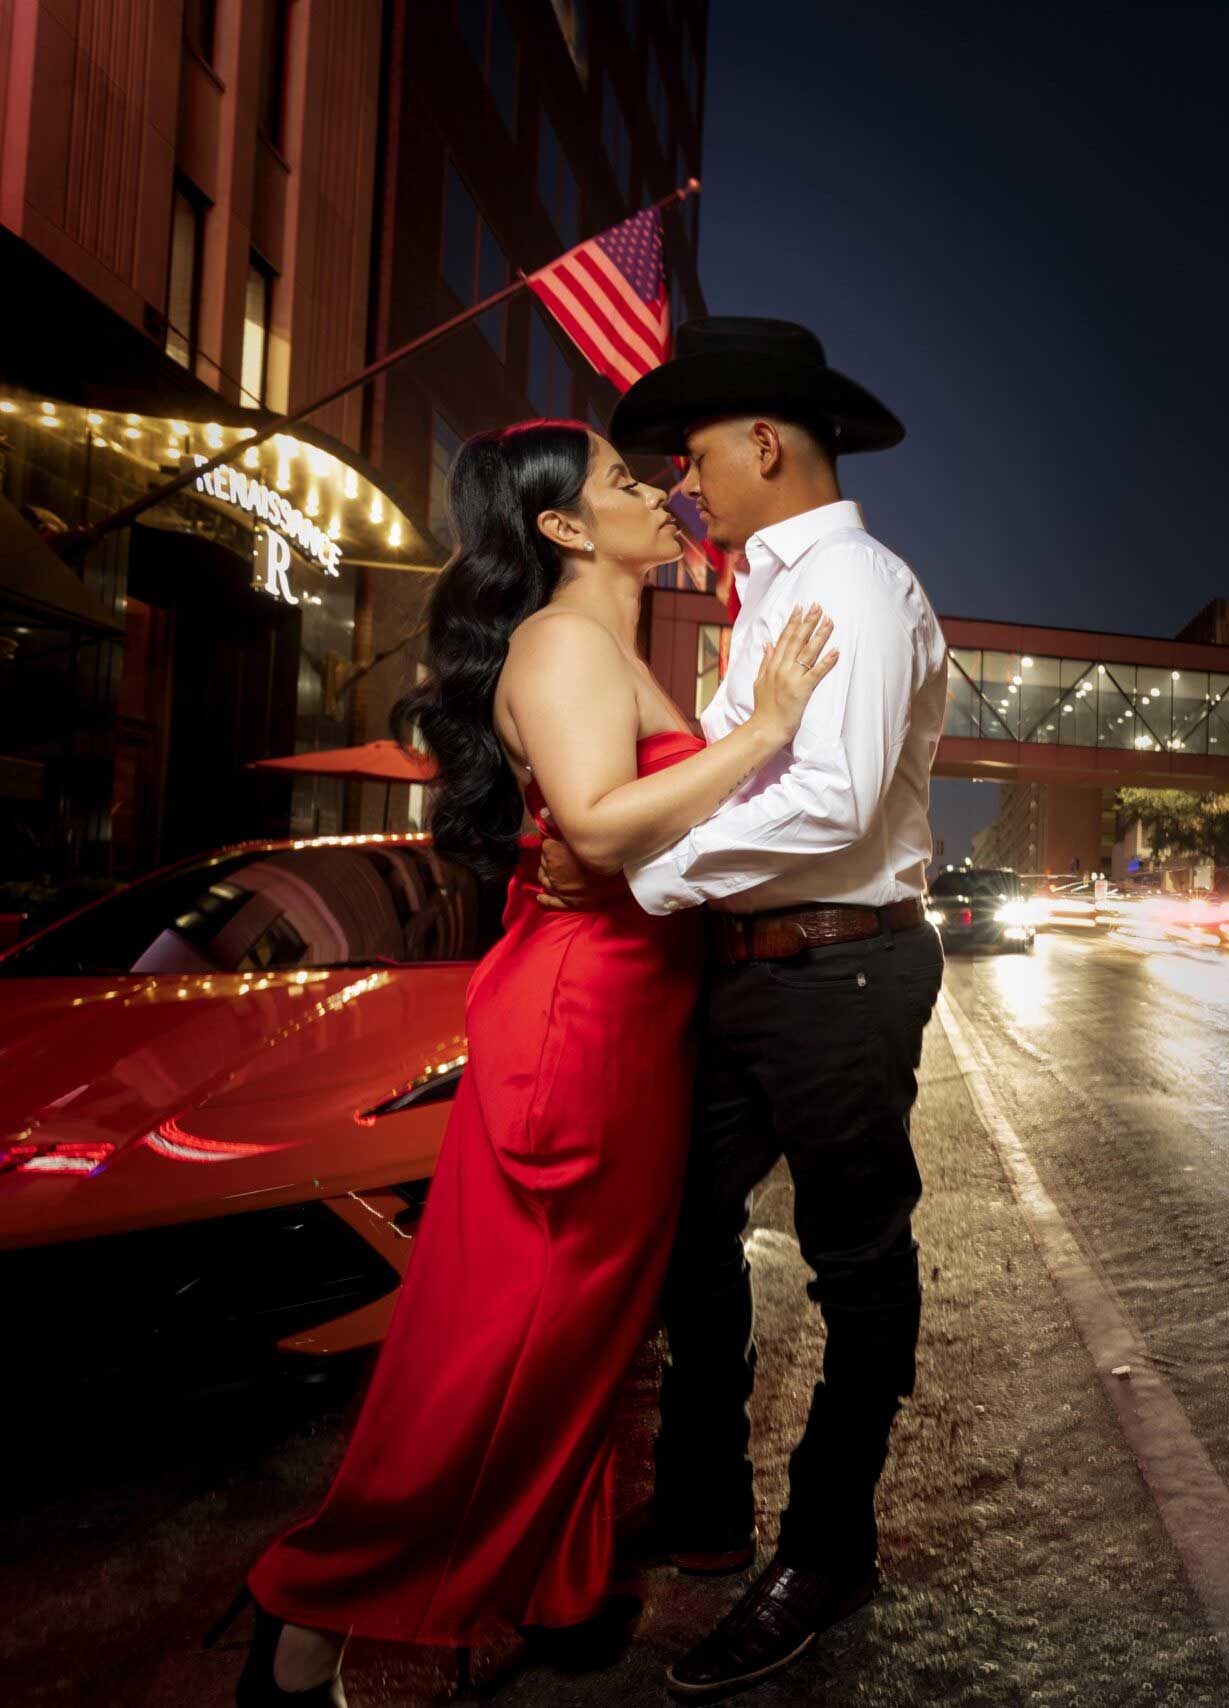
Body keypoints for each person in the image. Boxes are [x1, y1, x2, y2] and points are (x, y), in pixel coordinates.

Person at [209, 420, 838, 1706]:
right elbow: (600, 828)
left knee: (581, 1337)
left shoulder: (606, 645)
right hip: (580, 1025)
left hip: (628, 1018)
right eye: (621, 480)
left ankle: (550, 1582)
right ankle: (312, 1602)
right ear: (561, 528)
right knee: (515, 1338)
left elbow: (634, 829)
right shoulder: (560, 644)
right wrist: (765, 727)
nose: (658, 490)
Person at [541, 317, 949, 1700]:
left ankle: (828, 1551)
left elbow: (830, 803)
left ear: (764, 443)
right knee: (684, 1223)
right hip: (753, 966)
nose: (683, 484)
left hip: (843, 969)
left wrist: (640, 870)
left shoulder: (855, 583)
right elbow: (734, 767)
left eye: (697, 454)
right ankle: (707, 1503)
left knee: (856, 1262)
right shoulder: (771, 592)